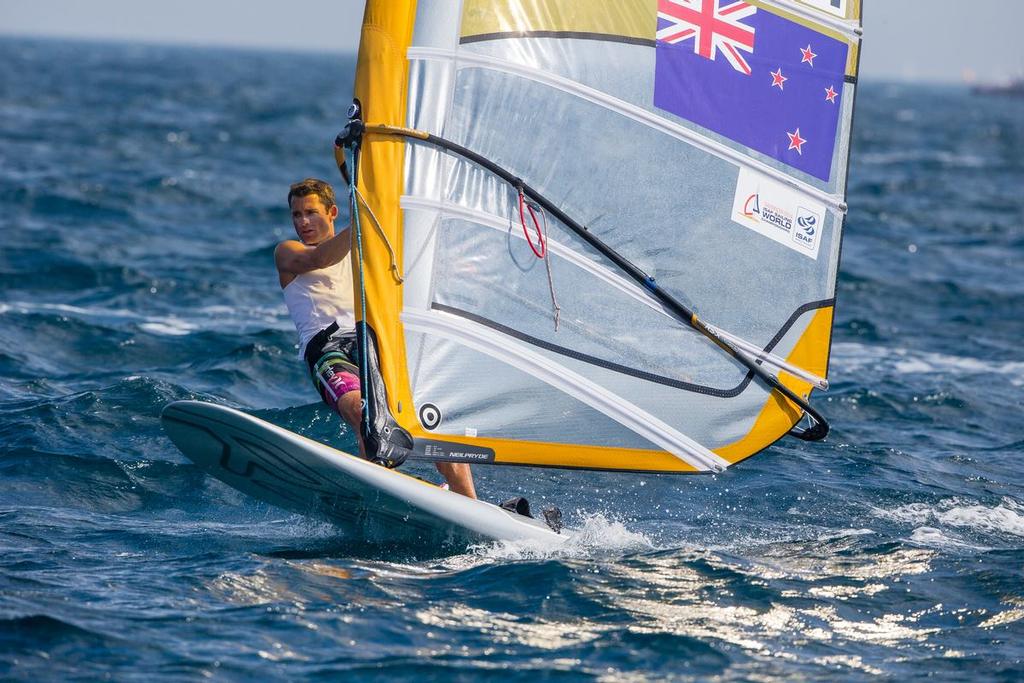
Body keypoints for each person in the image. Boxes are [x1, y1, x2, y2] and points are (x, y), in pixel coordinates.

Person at [276, 178, 476, 499]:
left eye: (311, 213)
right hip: (328, 350)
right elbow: (319, 260)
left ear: (332, 213)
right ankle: (380, 493)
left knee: (435, 416)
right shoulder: (288, 253)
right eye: (297, 215)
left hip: (371, 337)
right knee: (362, 411)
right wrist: (363, 225)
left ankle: (468, 502)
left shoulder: (364, 251)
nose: (303, 222)